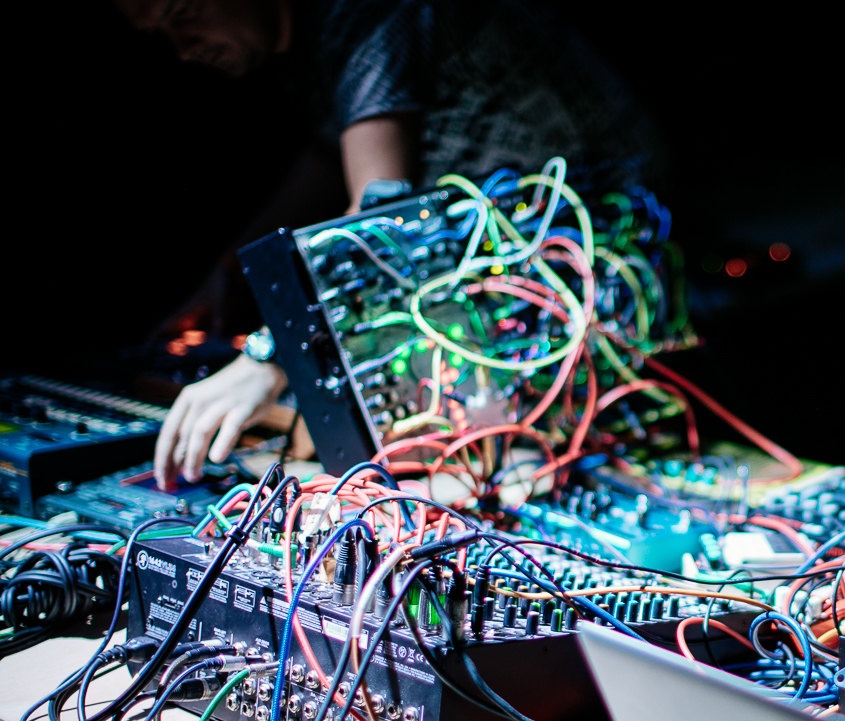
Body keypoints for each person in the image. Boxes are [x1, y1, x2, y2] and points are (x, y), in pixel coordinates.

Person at [110, 0, 670, 491]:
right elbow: (330, 159)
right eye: (161, 32)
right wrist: (229, 272)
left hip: (588, 276)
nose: (182, 48)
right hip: (521, 281)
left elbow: (376, 220)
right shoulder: (311, 45)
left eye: (183, 12)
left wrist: (272, 356)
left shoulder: (364, 12)